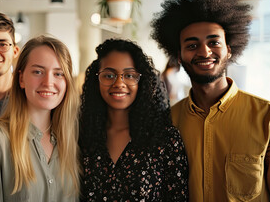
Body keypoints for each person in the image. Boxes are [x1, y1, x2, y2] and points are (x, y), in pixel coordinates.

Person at [150, 0, 270, 202]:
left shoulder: (268, 117)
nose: (204, 52)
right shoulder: (168, 122)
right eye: (192, 45)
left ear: (229, 49)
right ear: (180, 57)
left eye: (214, 42)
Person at [79, 38, 189, 201]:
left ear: (142, 81)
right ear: (97, 80)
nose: (119, 83)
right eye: (109, 75)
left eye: (129, 75)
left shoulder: (166, 139)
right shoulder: (81, 136)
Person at [0, 35, 80, 201]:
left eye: (58, 74)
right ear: (21, 78)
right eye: (38, 72)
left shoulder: (72, 140)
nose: (48, 82)